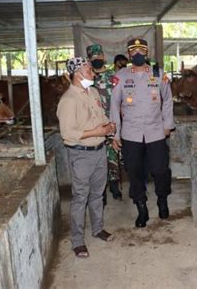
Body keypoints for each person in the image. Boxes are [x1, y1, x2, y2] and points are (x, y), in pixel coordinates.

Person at [110, 38, 174, 228]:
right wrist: (115, 134)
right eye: (133, 51)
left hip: (155, 131)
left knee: (160, 169)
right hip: (131, 133)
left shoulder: (159, 74)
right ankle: (141, 207)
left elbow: (168, 99)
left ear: (147, 52)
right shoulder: (120, 77)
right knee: (134, 172)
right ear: (129, 54)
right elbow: (114, 106)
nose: (137, 54)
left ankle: (162, 198)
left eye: (141, 51)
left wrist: (167, 125)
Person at [57, 57, 115, 258]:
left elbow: (101, 116)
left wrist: (109, 127)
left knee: (98, 194)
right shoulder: (68, 100)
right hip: (81, 154)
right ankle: (78, 241)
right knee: (80, 197)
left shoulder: (93, 92)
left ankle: (98, 229)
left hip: (100, 151)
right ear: (78, 73)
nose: (93, 73)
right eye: (89, 70)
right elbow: (67, 133)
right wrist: (96, 132)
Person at [87, 44, 123, 202]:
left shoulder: (112, 75)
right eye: (94, 58)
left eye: (99, 56)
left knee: (113, 156)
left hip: (112, 120)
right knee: (98, 159)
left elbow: (120, 96)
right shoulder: (87, 77)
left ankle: (115, 186)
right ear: (89, 59)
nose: (97, 60)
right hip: (94, 124)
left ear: (103, 57)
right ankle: (100, 193)